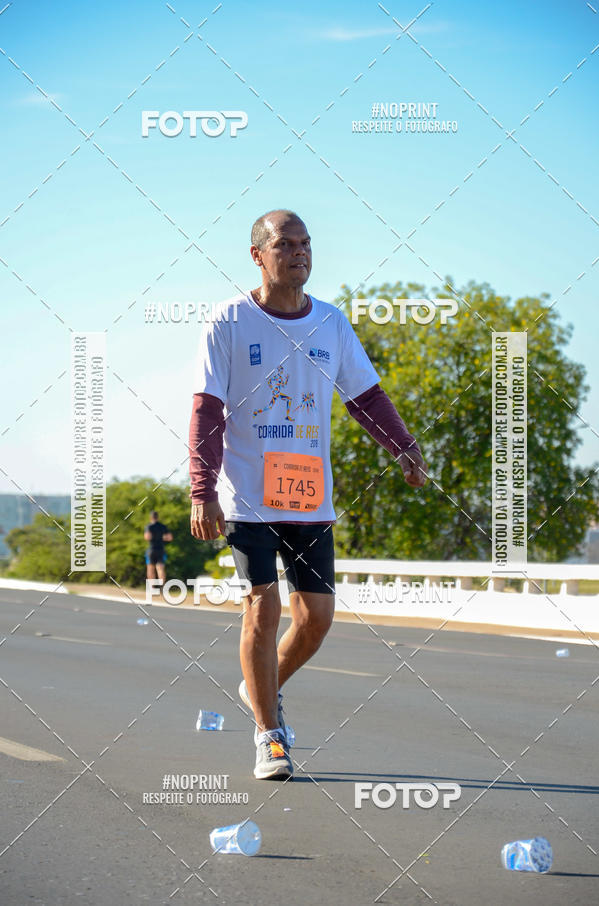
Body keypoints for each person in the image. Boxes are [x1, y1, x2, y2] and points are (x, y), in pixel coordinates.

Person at [189, 209, 427, 781]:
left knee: (317, 618)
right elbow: (207, 408)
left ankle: (260, 686)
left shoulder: (331, 323)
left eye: (306, 243)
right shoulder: (228, 321)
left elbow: (365, 397)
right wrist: (202, 489)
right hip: (248, 495)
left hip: (308, 497)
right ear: (257, 255)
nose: (299, 252)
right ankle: (269, 736)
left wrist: (403, 446)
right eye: (285, 244)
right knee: (263, 607)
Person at [144, 511, 172, 592]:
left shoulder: (149, 526)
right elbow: (170, 538)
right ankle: (162, 588)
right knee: (160, 569)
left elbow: (147, 537)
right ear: (157, 517)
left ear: (151, 517)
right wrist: (161, 538)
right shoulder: (163, 526)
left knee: (150, 569)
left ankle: (152, 588)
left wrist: (153, 537)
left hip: (151, 549)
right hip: (161, 549)